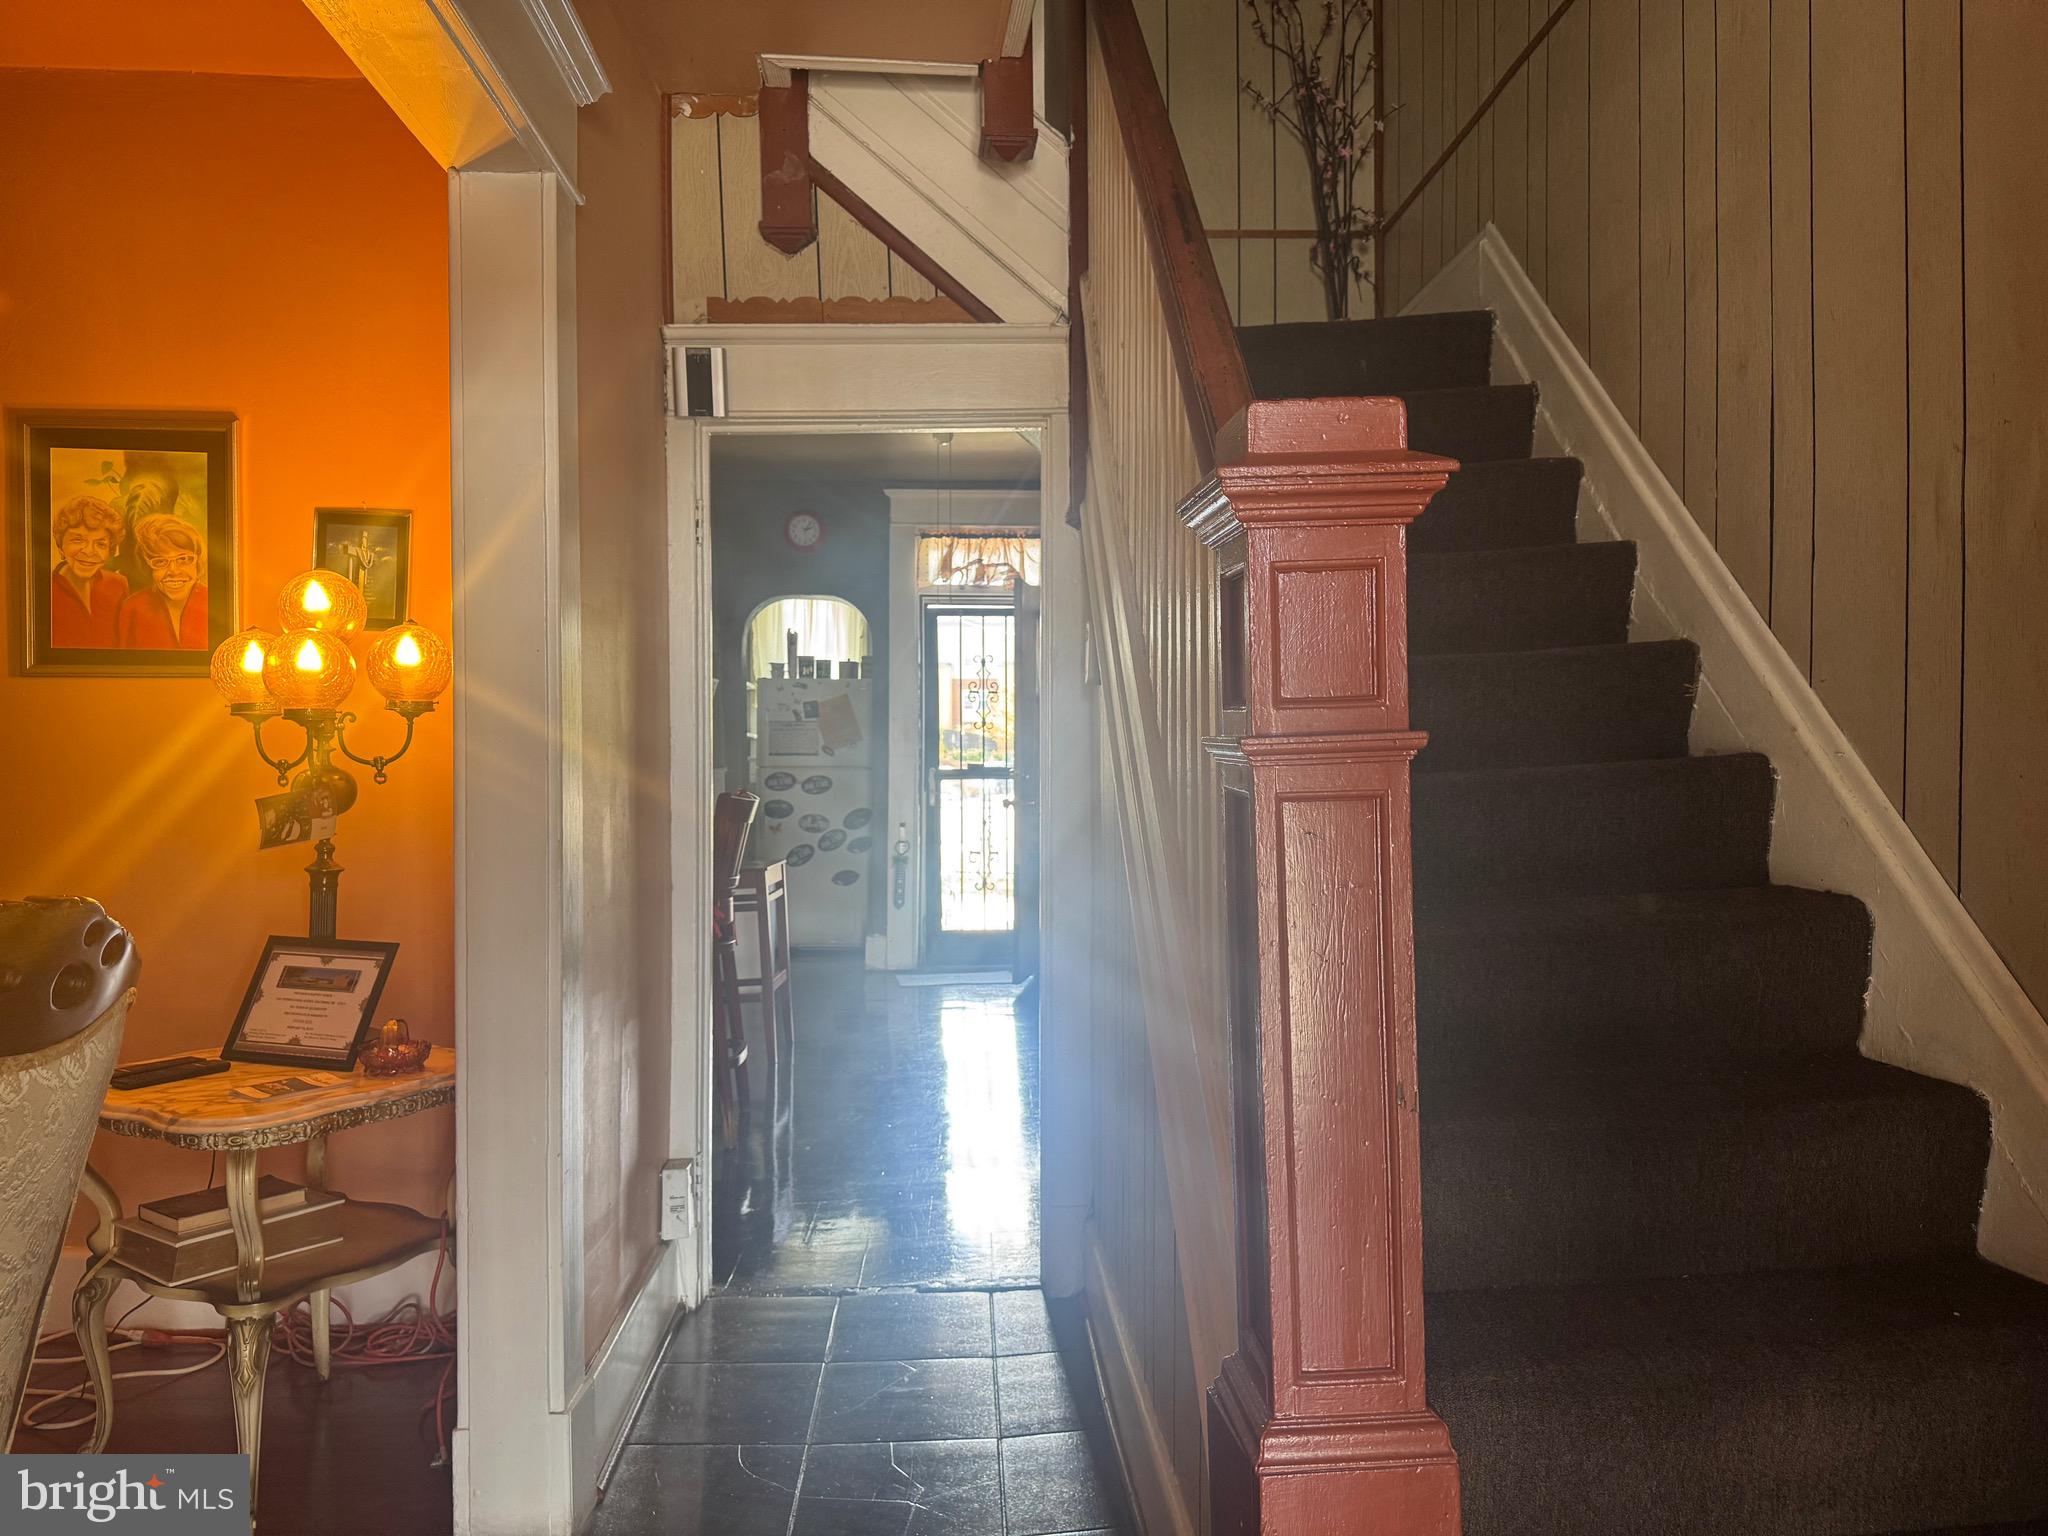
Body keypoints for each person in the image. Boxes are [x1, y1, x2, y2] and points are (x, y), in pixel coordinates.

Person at [115, 514, 208, 649]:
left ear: (197, 561)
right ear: (148, 566)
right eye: (160, 562)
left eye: (183, 559)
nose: (174, 571)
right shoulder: (133, 607)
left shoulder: (214, 601)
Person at [49, 496, 130, 648]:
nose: (89, 551)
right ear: (61, 546)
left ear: (110, 550)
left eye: (100, 544)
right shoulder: (42, 590)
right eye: (78, 540)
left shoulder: (118, 585)